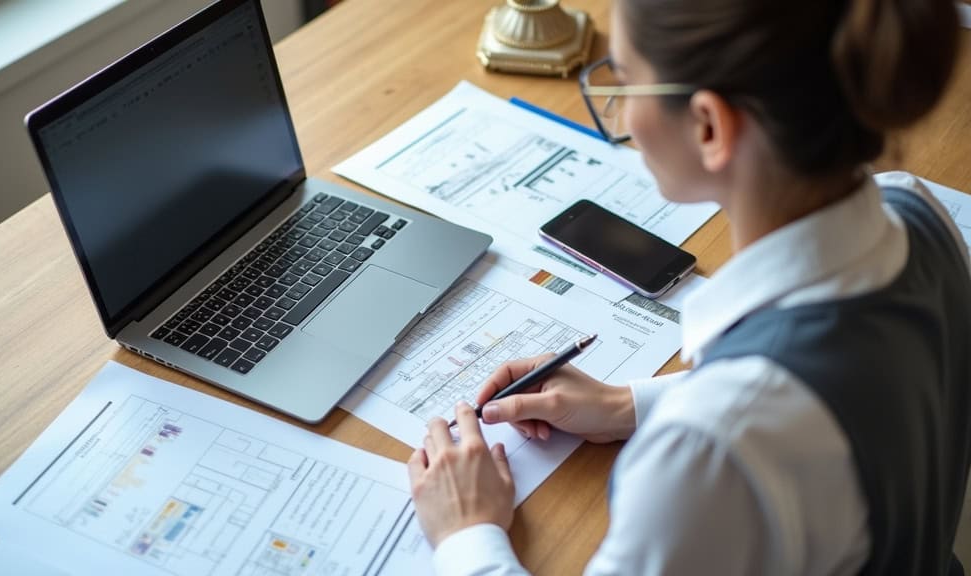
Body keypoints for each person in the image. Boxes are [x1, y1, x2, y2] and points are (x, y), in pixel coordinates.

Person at [406, 0, 970, 574]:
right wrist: (626, 405)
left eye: (624, 81)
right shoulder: (917, 212)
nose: (620, 114)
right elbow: (834, 398)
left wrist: (467, 532)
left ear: (708, 125)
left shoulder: (710, 452)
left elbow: (748, 428)